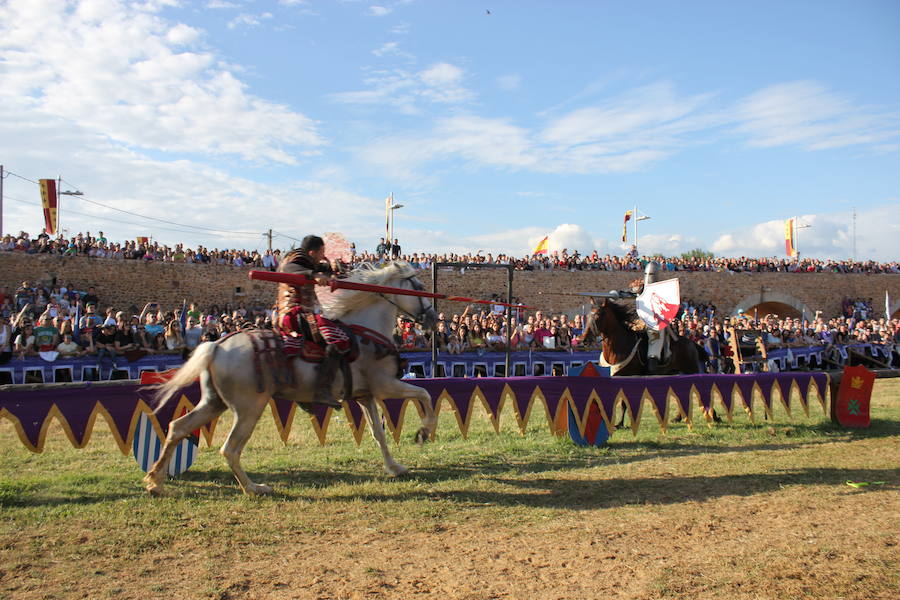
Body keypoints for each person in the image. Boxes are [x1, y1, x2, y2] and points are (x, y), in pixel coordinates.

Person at [274, 235, 347, 408]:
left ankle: (306, 387)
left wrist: (333, 269)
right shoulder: (294, 260)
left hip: (300, 313)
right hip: (293, 313)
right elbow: (289, 269)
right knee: (339, 337)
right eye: (321, 252)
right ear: (312, 252)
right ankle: (322, 389)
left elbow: (323, 268)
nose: (323, 255)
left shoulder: (308, 262)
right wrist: (314, 275)